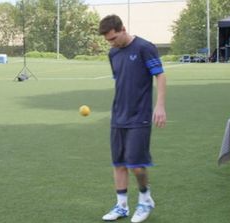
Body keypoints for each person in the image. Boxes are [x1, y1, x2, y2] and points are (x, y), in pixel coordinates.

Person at [98, 15, 166, 223]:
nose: (111, 43)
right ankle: (121, 206)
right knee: (119, 163)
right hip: (118, 115)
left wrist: (160, 105)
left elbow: (160, 75)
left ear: (123, 29)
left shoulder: (145, 47)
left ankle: (145, 199)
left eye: (113, 38)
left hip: (140, 116)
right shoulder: (113, 54)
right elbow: (121, 82)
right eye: (108, 40)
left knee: (136, 164)